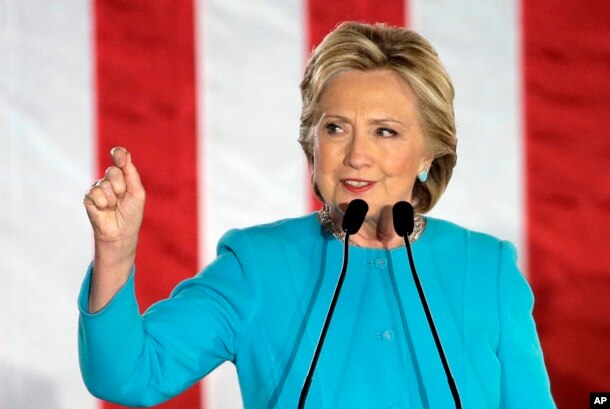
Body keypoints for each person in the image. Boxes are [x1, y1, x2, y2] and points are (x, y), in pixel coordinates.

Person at [79, 22, 555, 408]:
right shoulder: (257, 266)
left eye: (385, 132)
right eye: (335, 128)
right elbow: (129, 376)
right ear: (312, 144)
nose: (356, 156)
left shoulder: (488, 271)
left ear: (429, 153)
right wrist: (116, 252)